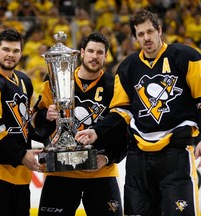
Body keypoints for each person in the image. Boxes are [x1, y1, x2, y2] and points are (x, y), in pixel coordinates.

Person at [75, 9, 201, 216]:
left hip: (176, 153)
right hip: (138, 157)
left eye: (150, 31)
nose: (147, 38)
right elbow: (121, 111)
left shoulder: (188, 57)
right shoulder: (127, 67)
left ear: (159, 30)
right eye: (140, 34)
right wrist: (97, 131)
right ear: (135, 37)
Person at [33, 32, 128, 216]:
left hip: (100, 173)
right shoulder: (54, 80)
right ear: (82, 53)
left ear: (106, 56)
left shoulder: (114, 85)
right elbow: (37, 126)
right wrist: (47, 116)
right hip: (61, 174)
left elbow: (122, 127)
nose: (94, 56)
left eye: (99, 52)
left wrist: (108, 157)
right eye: (91, 51)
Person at [0, 28, 42, 216]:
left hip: (21, 177)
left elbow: (24, 125)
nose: (10, 55)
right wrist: (21, 155)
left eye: (15, 51)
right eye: (6, 50)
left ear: (21, 52)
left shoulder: (25, 81)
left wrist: (47, 125)